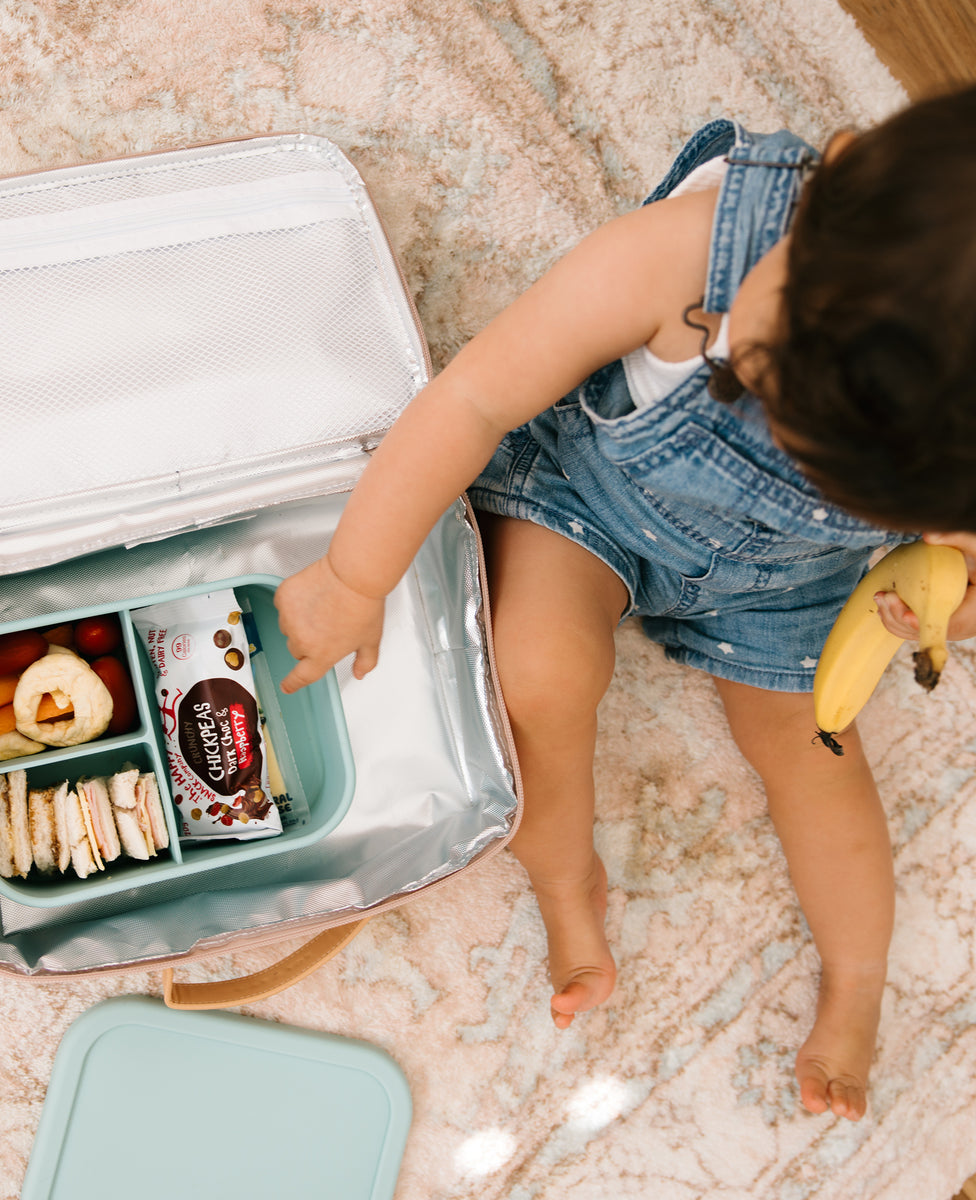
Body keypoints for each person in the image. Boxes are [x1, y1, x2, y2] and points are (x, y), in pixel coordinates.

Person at [274, 84, 976, 1121]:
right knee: (538, 673)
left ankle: (858, 977)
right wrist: (353, 576)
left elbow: (958, 581)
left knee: (818, 758)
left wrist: (942, 614)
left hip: (791, 581)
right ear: (836, 177)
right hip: (592, 498)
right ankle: (567, 879)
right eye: (765, 371)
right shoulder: (686, 251)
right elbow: (474, 396)